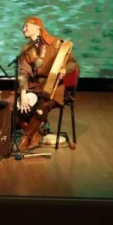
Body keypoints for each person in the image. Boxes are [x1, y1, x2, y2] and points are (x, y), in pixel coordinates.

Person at [16, 16, 79, 151]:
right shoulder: (27, 49)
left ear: (38, 27)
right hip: (35, 86)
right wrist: (23, 95)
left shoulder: (56, 44)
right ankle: (38, 132)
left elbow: (72, 63)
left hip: (55, 88)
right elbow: (23, 74)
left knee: (41, 107)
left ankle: (27, 138)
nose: (23, 29)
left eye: (26, 26)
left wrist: (64, 69)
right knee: (17, 105)